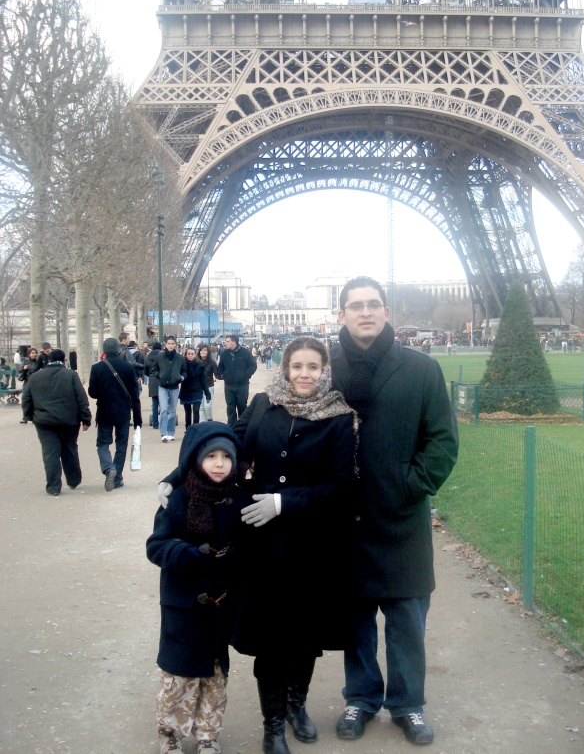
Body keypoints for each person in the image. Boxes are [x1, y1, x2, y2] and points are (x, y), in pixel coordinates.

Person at [158, 337, 358, 754]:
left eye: (313, 367)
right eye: (297, 366)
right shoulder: (266, 402)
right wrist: (175, 478)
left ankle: (295, 705)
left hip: (311, 543)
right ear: (285, 368)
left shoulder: (339, 418)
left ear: (325, 371)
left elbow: (341, 486)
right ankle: (272, 725)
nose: (304, 374)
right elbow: (225, 441)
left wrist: (284, 501)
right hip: (264, 544)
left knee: (305, 636)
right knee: (272, 637)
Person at [331, 277, 459, 746]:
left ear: (387, 312)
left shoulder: (421, 369)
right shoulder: (326, 369)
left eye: (373, 304)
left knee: (407, 620)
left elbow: (443, 441)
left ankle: (408, 703)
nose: (365, 312)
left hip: (401, 516)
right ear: (341, 314)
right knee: (356, 620)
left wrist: (411, 486)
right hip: (345, 519)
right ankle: (361, 697)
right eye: (355, 305)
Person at [147, 422, 249, 754]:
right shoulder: (177, 499)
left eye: (225, 457)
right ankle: (171, 734)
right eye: (211, 456)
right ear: (195, 460)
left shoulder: (237, 500)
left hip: (221, 606)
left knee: (215, 678)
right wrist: (182, 552)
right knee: (179, 676)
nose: (219, 464)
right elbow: (156, 546)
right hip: (184, 606)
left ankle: (207, 733)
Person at [21, 349, 91, 495]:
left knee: (50, 453)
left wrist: (28, 416)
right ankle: (73, 480)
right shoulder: (71, 375)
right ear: (64, 359)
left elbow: (26, 398)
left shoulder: (35, 377)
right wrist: (86, 418)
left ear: (48, 360)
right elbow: (81, 398)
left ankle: (53, 487)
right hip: (69, 420)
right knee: (69, 449)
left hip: (44, 421)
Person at [88, 338, 143, 492]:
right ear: (118, 350)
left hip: (105, 411)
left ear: (104, 350)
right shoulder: (127, 367)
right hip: (123, 412)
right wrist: (137, 417)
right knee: (121, 445)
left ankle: (108, 467)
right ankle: (117, 477)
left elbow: (92, 393)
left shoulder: (97, 368)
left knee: (103, 443)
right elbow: (134, 394)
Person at [149, 336, 187, 442]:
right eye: (169, 343)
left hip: (174, 386)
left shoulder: (180, 358)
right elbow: (154, 369)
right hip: (163, 386)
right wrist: (159, 375)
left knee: (172, 411)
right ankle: (164, 433)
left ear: (175, 344)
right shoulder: (160, 357)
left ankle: (171, 432)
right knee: (164, 409)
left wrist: (181, 377)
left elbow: (184, 370)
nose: (170, 345)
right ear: (165, 344)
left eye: (172, 343)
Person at [216, 335, 257, 427]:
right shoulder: (224, 354)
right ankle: (232, 427)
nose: (225, 343)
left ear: (234, 342)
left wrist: (246, 375)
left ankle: (242, 426)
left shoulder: (245, 352)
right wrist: (221, 375)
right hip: (229, 385)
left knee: (242, 406)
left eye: (227, 341)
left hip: (242, 385)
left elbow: (253, 365)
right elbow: (221, 366)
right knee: (230, 407)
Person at [179, 347, 211, 430]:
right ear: (185, 355)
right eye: (188, 354)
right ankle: (188, 429)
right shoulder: (182, 365)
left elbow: (203, 381)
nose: (190, 356)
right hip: (186, 391)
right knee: (188, 413)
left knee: (196, 411)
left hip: (197, 391)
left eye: (192, 354)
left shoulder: (200, 366)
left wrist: (207, 393)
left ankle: (196, 428)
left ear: (195, 355)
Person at [145, 342, 163, 429]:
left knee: (154, 403)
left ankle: (155, 423)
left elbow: (145, 369)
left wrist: (150, 375)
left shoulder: (148, 356)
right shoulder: (162, 356)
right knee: (164, 402)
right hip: (161, 379)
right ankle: (164, 421)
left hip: (152, 380)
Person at [198, 345, 218, 421]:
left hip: (209, 386)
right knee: (201, 407)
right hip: (199, 387)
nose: (203, 352)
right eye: (201, 350)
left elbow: (217, 374)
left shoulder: (212, 363)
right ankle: (203, 423)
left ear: (208, 352)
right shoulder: (196, 362)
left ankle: (209, 420)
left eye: (205, 350)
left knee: (208, 406)